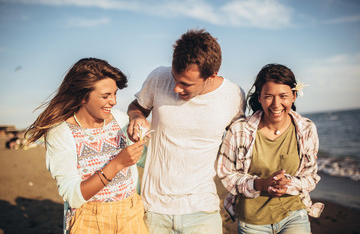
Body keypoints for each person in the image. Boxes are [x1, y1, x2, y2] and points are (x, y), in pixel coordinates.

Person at [127, 29, 246, 233]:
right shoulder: (158, 77)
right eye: (175, 78)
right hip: (154, 208)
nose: (175, 88)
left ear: (211, 76)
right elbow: (137, 106)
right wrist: (137, 117)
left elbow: (242, 142)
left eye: (186, 84)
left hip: (202, 209)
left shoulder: (233, 95)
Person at [25, 58, 148, 234]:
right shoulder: (61, 133)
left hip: (131, 213)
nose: (113, 101)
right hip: (88, 219)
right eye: (105, 96)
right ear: (82, 96)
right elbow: (73, 196)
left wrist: (140, 144)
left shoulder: (120, 120)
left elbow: (144, 158)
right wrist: (117, 164)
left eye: (115, 94)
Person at [217, 64, 324, 234]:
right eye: (268, 96)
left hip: (293, 213)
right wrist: (259, 184)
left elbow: (310, 176)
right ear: (259, 97)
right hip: (252, 221)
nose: (276, 104)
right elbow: (226, 173)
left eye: (283, 96)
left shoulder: (306, 129)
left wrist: (288, 184)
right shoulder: (239, 130)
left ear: (294, 96)